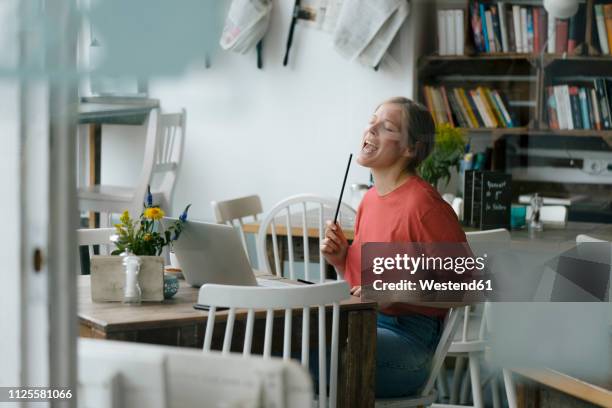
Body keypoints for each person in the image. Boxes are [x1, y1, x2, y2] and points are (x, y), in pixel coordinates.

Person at [321, 97, 467, 398]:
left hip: (410, 340)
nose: (371, 128)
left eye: (385, 127)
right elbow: (363, 286)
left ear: (409, 149)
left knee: (310, 357)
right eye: (371, 120)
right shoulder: (370, 200)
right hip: (365, 323)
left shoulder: (424, 205)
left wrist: (396, 292)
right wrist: (340, 260)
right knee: (299, 344)